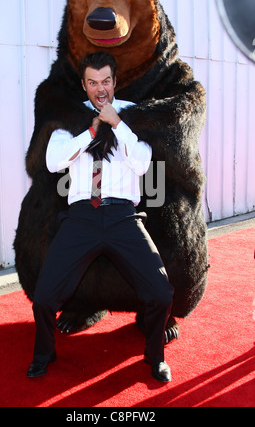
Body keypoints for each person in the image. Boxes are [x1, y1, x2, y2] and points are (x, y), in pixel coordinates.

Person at [26, 52, 174, 383]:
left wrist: (117, 125)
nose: (100, 88)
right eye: (93, 82)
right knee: (45, 296)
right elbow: (53, 161)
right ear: (84, 85)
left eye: (106, 81)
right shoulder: (71, 118)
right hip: (82, 216)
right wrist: (92, 132)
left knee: (161, 293)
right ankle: (44, 353)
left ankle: (154, 355)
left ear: (115, 82)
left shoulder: (131, 117)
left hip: (123, 215)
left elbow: (143, 164)